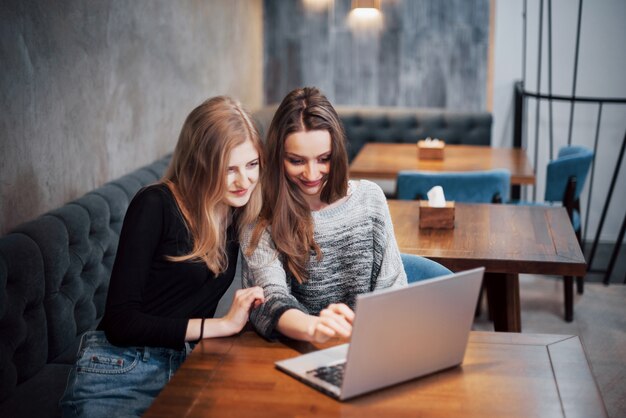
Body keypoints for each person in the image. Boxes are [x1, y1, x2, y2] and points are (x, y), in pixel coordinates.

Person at [60, 96, 265, 418]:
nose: (244, 181)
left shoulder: (238, 209)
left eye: (252, 164)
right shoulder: (155, 204)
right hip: (123, 367)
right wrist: (222, 326)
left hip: (189, 364)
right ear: (199, 164)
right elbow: (120, 323)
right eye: (229, 169)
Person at [242, 87, 407, 344]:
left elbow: (394, 288)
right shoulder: (261, 216)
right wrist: (316, 327)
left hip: (371, 344)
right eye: (296, 161)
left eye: (324, 159)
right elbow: (270, 300)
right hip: (296, 349)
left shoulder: (370, 199)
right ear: (278, 157)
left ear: (337, 153)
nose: (311, 174)